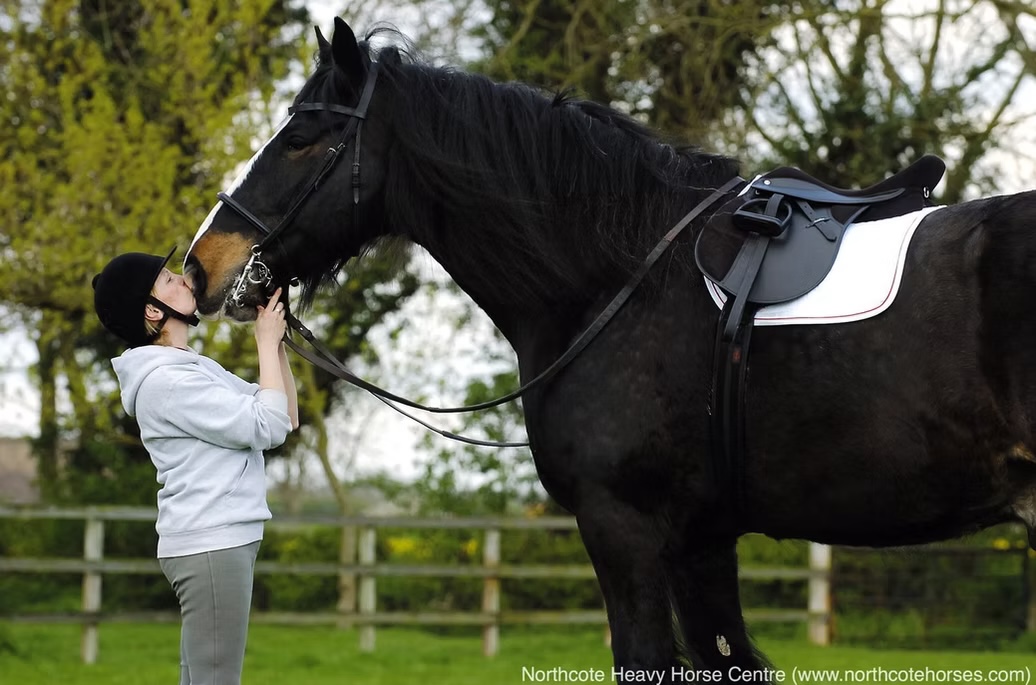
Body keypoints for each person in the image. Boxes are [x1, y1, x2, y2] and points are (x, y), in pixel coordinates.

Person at [92, 246, 299, 685]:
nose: (185, 280)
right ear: (153, 310)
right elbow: (268, 425)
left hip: (216, 541)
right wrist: (262, 342)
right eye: (169, 280)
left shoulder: (192, 368)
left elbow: (284, 413)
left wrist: (276, 345)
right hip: (211, 545)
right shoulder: (169, 383)